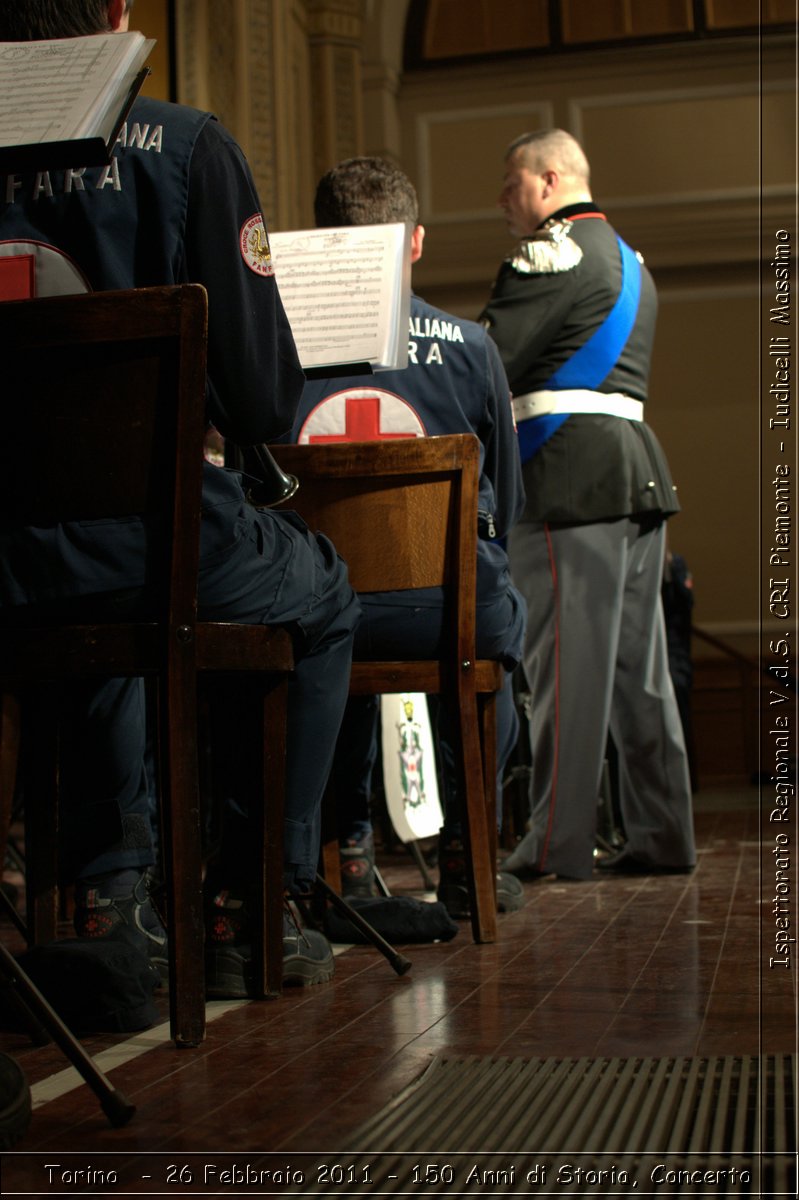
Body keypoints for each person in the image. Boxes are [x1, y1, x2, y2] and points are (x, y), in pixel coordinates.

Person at [0, 0, 361, 998]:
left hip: (7, 552)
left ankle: (107, 906)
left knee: (89, 591)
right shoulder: (185, 145)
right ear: (117, 16)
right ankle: (255, 902)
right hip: (151, 534)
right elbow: (260, 394)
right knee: (323, 592)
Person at [290, 156, 527, 919]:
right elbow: (508, 500)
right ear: (415, 243)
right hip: (445, 609)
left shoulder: (276, 355)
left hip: (316, 611)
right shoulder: (469, 346)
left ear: (323, 244)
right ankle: (468, 853)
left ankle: (346, 853)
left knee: (335, 615)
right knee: (499, 626)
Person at [479, 129, 696, 880]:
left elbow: (491, 360)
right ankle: (663, 834)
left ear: (546, 181)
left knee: (563, 672)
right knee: (639, 674)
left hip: (568, 478)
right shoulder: (630, 261)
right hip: (633, 473)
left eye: (510, 183)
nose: (502, 199)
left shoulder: (555, 250)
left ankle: (553, 844)